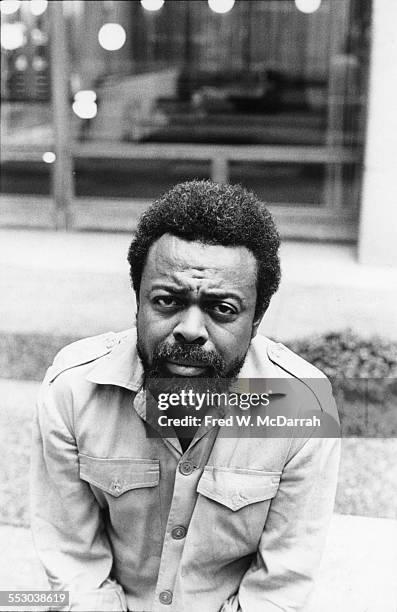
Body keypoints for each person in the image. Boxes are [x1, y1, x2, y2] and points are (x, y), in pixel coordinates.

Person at [30, 180, 340, 612]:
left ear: (257, 319)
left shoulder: (303, 405)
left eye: (222, 309)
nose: (191, 330)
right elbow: (72, 564)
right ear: (137, 300)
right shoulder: (73, 390)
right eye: (167, 301)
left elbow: (279, 589)